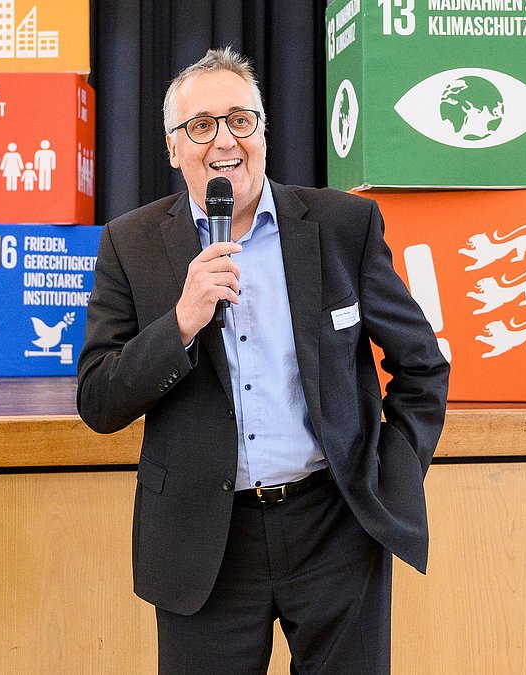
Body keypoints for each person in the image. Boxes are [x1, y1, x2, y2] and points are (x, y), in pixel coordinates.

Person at [77, 48, 449, 673]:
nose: (224, 140)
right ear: (174, 149)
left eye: (241, 120)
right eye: (201, 125)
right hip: (206, 541)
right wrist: (182, 322)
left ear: (264, 134)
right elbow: (99, 400)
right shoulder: (130, 244)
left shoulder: (340, 225)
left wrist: (391, 465)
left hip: (334, 524)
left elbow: (421, 363)